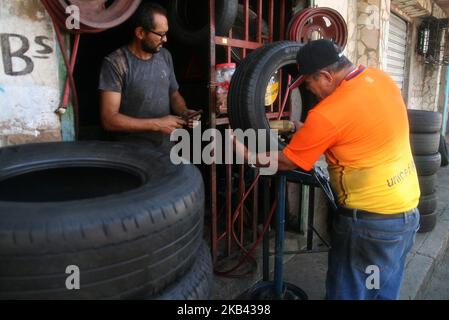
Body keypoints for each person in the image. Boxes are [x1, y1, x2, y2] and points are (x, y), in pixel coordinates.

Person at [235, 39, 421, 300]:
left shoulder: (328, 113)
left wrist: (247, 155)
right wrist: (311, 133)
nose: (311, 92)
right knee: (378, 288)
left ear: (325, 75)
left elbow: (289, 161)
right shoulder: (380, 79)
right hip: (405, 216)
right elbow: (360, 128)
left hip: (369, 227)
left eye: (310, 84)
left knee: (349, 293)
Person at [98, 2, 200, 153]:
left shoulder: (165, 56)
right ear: (140, 33)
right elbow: (109, 119)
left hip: (165, 150)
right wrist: (157, 124)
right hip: (131, 153)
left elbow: (174, 94)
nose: (165, 39)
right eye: (160, 34)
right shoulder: (116, 63)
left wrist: (184, 112)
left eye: (166, 33)